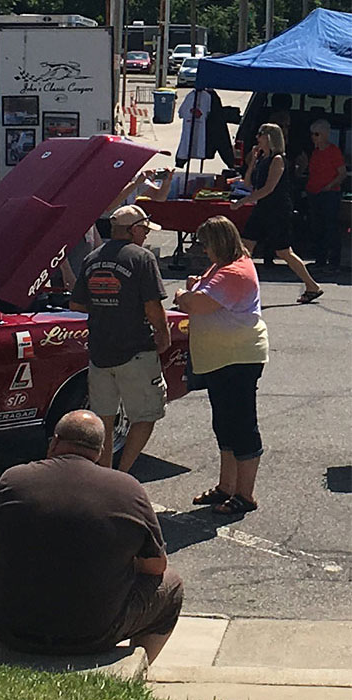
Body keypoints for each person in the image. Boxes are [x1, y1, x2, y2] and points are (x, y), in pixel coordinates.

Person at [0, 410, 183, 662]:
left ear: (54, 441)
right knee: (171, 585)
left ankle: (3, 654)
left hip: (17, 628)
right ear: (100, 450)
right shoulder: (127, 488)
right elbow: (156, 566)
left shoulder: (13, 480)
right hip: (95, 633)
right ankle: (141, 668)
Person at [174, 216, 269, 515]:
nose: (203, 251)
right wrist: (193, 291)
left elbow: (197, 304)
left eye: (206, 245)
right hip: (220, 357)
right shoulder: (223, 266)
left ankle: (245, 495)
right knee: (224, 425)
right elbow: (201, 292)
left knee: (241, 426)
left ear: (219, 243)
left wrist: (183, 296)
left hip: (237, 357)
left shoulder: (234, 271)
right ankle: (226, 487)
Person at [70, 204, 171, 473]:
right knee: (146, 414)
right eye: (145, 229)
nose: (147, 235)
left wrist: (106, 305)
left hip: (100, 351)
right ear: (133, 229)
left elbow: (78, 304)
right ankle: (122, 472)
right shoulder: (142, 258)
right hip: (135, 349)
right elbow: (153, 306)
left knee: (103, 418)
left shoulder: (91, 259)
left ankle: (104, 472)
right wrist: (163, 334)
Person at [232, 123, 323, 304]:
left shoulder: (278, 160)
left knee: (283, 252)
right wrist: (252, 163)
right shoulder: (262, 158)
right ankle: (237, 287)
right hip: (261, 209)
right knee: (245, 247)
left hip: (277, 210)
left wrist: (244, 201)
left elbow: (269, 188)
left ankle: (312, 285)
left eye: (260, 134)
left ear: (270, 137)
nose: (257, 138)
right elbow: (248, 184)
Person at [304, 119, 348, 272]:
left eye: (317, 134)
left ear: (325, 135)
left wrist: (329, 186)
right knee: (317, 229)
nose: (313, 137)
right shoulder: (315, 152)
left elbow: (342, 174)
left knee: (331, 229)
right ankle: (320, 260)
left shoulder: (333, 151)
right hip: (314, 194)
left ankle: (334, 263)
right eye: (312, 134)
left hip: (329, 195)